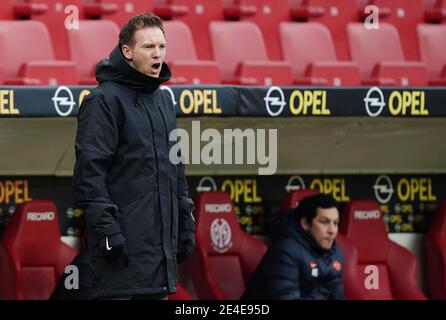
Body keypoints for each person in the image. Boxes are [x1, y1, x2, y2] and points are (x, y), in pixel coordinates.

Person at [72, 13, 196, 300]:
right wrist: (106, 231)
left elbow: (175, 169)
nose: (158, 54)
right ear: (127, 52)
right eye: (149, 47)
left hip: (159, 258)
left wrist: (185, 220)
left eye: (162, 47)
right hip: (120, 254)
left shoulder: (164, 100)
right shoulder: (102, 101)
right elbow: (91, 174)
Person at [241, 194, 344, 300]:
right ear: (305, 224)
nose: (332, 230)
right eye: (324, 222)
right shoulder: (285, 251)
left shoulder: (334, 252)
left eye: (335, 223)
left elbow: (337, 296)